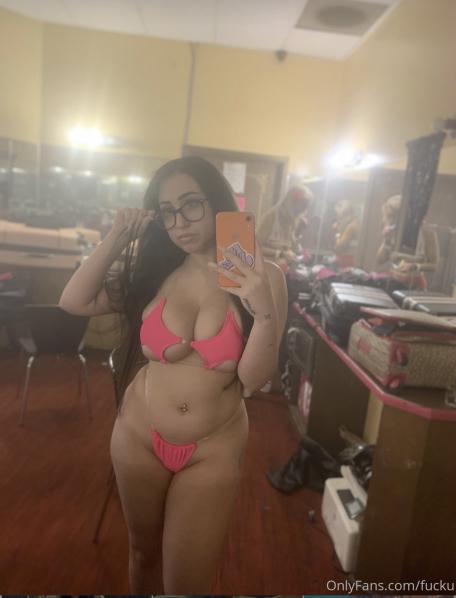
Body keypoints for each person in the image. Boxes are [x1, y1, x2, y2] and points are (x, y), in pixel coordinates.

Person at [58, 156, 288, 593]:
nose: (179, 222)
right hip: (137, 435)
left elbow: (255, 379)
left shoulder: (264, 277)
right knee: (142, 553)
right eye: (167, 211)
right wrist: (118, 235)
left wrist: (263, 312)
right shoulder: (155, 270)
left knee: (188, 584)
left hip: (212, 448)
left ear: (218, 203)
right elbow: (73, 300)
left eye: (191, 204)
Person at [257, 184, 313, 269]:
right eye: (303, 205)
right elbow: (255, 247)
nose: (303, 210)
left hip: (284, 269)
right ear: (292, 202)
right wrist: (280, 253)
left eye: (306, 206)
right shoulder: (271, 217)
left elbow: (290, 249)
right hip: (266, 270)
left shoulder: (294, 220)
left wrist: (298, 233)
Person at [332, 199, 360, 267]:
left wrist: (337, 232)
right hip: (344, 260)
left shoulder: (352, 226)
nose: (337, 217)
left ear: (344, 213)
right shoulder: (349, 225)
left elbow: (339, 247)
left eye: (338, 214)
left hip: (347, 262)